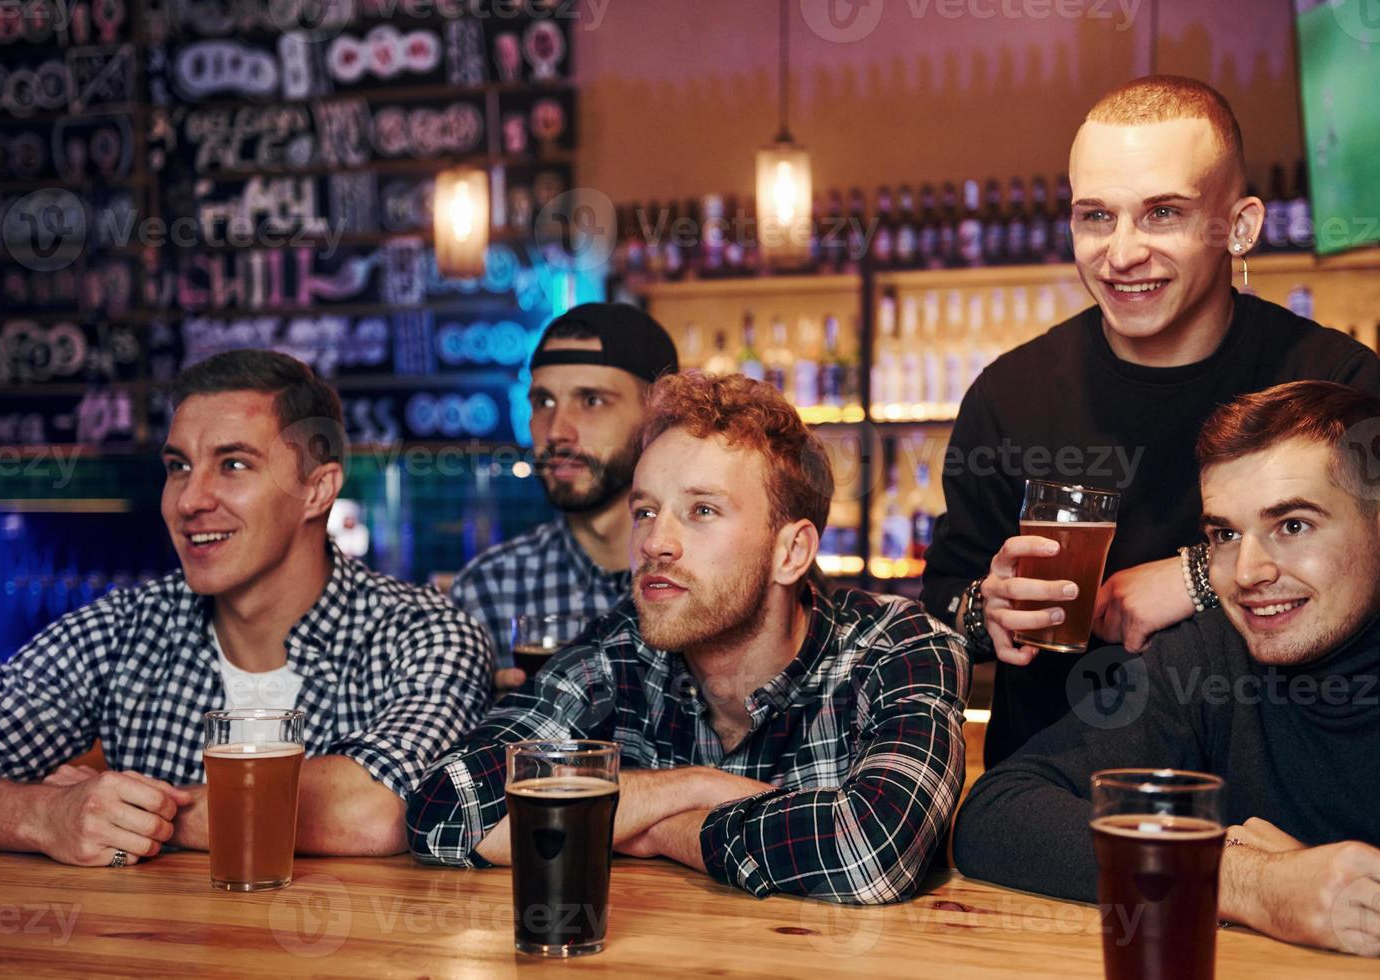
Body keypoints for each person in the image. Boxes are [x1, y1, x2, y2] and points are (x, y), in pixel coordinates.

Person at [923, 75, 1380, 769]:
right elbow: (945, 598)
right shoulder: (1009, 394)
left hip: (1276, 800)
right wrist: (987, 611)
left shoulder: (1336, 383)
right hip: (1052, 804)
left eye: (1163, 213)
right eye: (1095, 216)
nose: (1122, 252)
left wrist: (1199, 575)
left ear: (1241, 227)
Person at [0, 351, 491, 867]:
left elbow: (378, 808)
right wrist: (44, 815)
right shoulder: (123, 630)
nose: (190, 500)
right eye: (178, 466)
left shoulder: (426, 633)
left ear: (317, 491)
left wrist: (141, 812)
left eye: (233, 464)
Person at [407, 373, 969, 904]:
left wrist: (653, 832)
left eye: (701, 510)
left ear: (791, 552)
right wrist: (694, 786)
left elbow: (869, 853)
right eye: (646, 511)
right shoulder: (618, 651)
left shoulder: (899, 645)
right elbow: (442, 812)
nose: (656, 542)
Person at [953, 381, 1380, 958]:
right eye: (1226, 535)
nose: (1248, 572)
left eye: (1294, 525)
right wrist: (1252, 880)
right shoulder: (1209, 655)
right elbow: (996, 815)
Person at [451, 302, 678, 691]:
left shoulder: (714, 573)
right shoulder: (487, 589)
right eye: (544, 402)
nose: (557, 431)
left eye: (591, 401)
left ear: (658, 415)